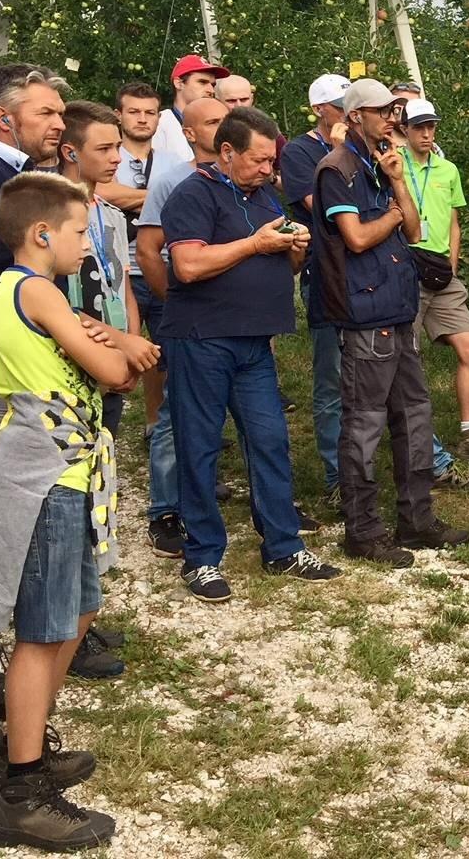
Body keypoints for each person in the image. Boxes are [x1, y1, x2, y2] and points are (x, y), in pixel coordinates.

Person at [0, 64, 122, 761]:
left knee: (19, 538)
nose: (58, 124)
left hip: (25, 385)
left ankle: (22, 696)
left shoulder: (34, 191)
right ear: (8, 119)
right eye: (46, 113)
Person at [0, 173, 151, 849]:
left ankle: (21, 741)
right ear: (42, 234)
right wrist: (118, 345)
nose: (84, 247)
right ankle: (20, 790)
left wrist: (107, 342)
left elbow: (101, 354)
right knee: (43, 632)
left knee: (77, 609)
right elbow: (112, 371)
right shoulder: (34, 287)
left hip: (71, 472)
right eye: (76, 233)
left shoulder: (32, 292)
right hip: (46, 475)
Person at [160, 106, 340, 602]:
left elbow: (279, 265)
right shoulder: (193, 194)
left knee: (269, 440)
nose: (268, 169)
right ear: (227, 152)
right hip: (201, 339)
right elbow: (189, 265)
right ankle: (201, 557)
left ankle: (283, 546)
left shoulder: (266, 198)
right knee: (200, 446)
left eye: (272, 161)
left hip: (254, 342)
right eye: (258, 160)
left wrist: (293, 250)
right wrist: (255, 245)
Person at [312, 80, 469, 565]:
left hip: (399, 307)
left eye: (394, 111)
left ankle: (416, 519)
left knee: (416, 415)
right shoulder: (336, 168)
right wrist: (397, 213)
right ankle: (361, 530)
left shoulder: (382, 163)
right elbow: (356, 238)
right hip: (364, 312)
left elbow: (418, 229)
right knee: (364, 422)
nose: (392, 118)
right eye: (383, 111)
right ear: (355, 115)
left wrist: (399, 181)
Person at [134, 96, 231, 558]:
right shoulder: (172, 179)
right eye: (212, 121)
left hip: (238, 319)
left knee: (241, 412)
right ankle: (165, 510)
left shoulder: (247, 177)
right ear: (189, 132)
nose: (223, 127)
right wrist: (173, 298)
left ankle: (219, 493)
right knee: (176, 411)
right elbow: (149, 248)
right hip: (190, 315)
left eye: (227, 120)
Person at [400, 97, 469, 485]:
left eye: (431, 127)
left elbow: (455, 220)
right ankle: (412, 443)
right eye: (419, 127)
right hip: (406, 269)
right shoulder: (394, 166)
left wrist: (453, 262)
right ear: (404, 130)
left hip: (441, 271)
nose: (427, 134)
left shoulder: (446, 169)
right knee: (404, 360)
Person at [280, 74, 350, 504]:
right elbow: (324, 207)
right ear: (320, 109)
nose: (347, 112)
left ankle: (419, 459)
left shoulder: (363, 146)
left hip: (369, 274)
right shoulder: (299, 152)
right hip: (325, 274)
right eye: (339, 105)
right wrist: (343, 150)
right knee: (332, 377)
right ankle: (336, 474)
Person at [58, 102, 143, 438]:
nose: (117, 158)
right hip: (68, 363)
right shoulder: (51, 211)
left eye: (118, 147)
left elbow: (124, 286)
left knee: (102, 460)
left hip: (113, 358)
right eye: (104, 148)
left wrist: (132, 347)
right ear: (71, 152)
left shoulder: (111, 214)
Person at [110, 81, 162, 444]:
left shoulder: (170, 160)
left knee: (161, 352)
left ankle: (155, 425)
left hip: (159, 264)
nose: (142, 119)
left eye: (150, 112)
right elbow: (98, 190)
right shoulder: (108, 157)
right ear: (119, 115)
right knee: (115, 348)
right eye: (134, 111)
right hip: (117, 269)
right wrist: (157, 197)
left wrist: (130, 199)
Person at [145, 53, 227, 191]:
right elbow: (154, 178)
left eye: (212, 84)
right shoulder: (161, 122)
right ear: (179, 83)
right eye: (202, 82)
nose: (211, 90)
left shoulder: (222, 123)